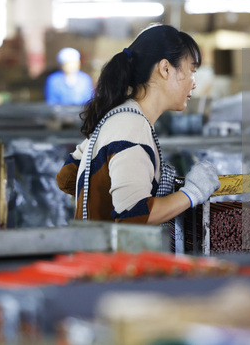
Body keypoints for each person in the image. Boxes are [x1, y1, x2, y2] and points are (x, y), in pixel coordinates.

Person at [56, 24, 220, 225]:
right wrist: (193, 192)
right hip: (110, 255)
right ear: (165, 68)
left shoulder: (119, 116)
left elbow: (66, 177)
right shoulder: (131, 127)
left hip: (94, 249)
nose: (194, 83)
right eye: (191, 70)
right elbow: (134, 216)